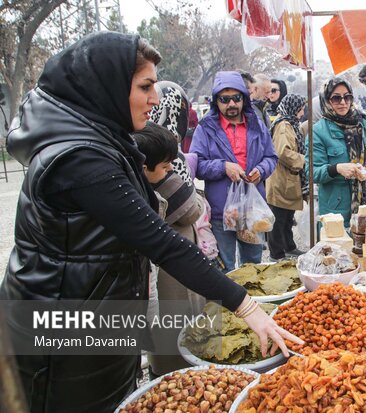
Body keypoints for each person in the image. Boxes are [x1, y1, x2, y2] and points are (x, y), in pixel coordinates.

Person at [1, 32, 300, 412]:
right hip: (66, 323)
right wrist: (246, 306)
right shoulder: (80, 157)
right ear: (106, 88)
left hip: (102, 308)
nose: (155, 98)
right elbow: (161, 241)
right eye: (145, 86)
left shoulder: (102, 138)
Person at [134, 122, 206, 377]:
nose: (171, 169)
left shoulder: (151, 159)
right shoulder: (139, 190)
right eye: (166, 166)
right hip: (168, 267)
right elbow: (191, 209)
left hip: (174, 261)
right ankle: (172, 372)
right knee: (173, 324)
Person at [190, 71, 278, 273]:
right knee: (225, 267)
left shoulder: (257, 124)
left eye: (236, 98)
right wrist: (223, 167)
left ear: (244, 99)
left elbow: (271, 158)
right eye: (224, 99)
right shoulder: (206, 128)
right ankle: (230, 305)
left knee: (253, 266)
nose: (231, 104)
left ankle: (253, 304)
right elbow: (197, 165)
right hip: (222, 211)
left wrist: (261, 170)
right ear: (216, 101)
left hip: (253, 210)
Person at [307, 77, 366, 225]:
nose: (343, 102)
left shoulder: (365, 124)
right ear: (327, 100)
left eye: (347, 97)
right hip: (336, 209)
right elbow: (312, 172)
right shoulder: (318, 131)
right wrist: (337, 169)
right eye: (336, 98)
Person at [266, 94, 308, 261]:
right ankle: (276, 254)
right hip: (280, 180)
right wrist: (305, 160)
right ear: (294, 108)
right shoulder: (284, 125)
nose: (302, 112)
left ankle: (289, 247)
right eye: (301, 109)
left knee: (287, 218)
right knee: (278, 219)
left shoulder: (291, 124)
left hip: (287, 180)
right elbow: (283, 152)